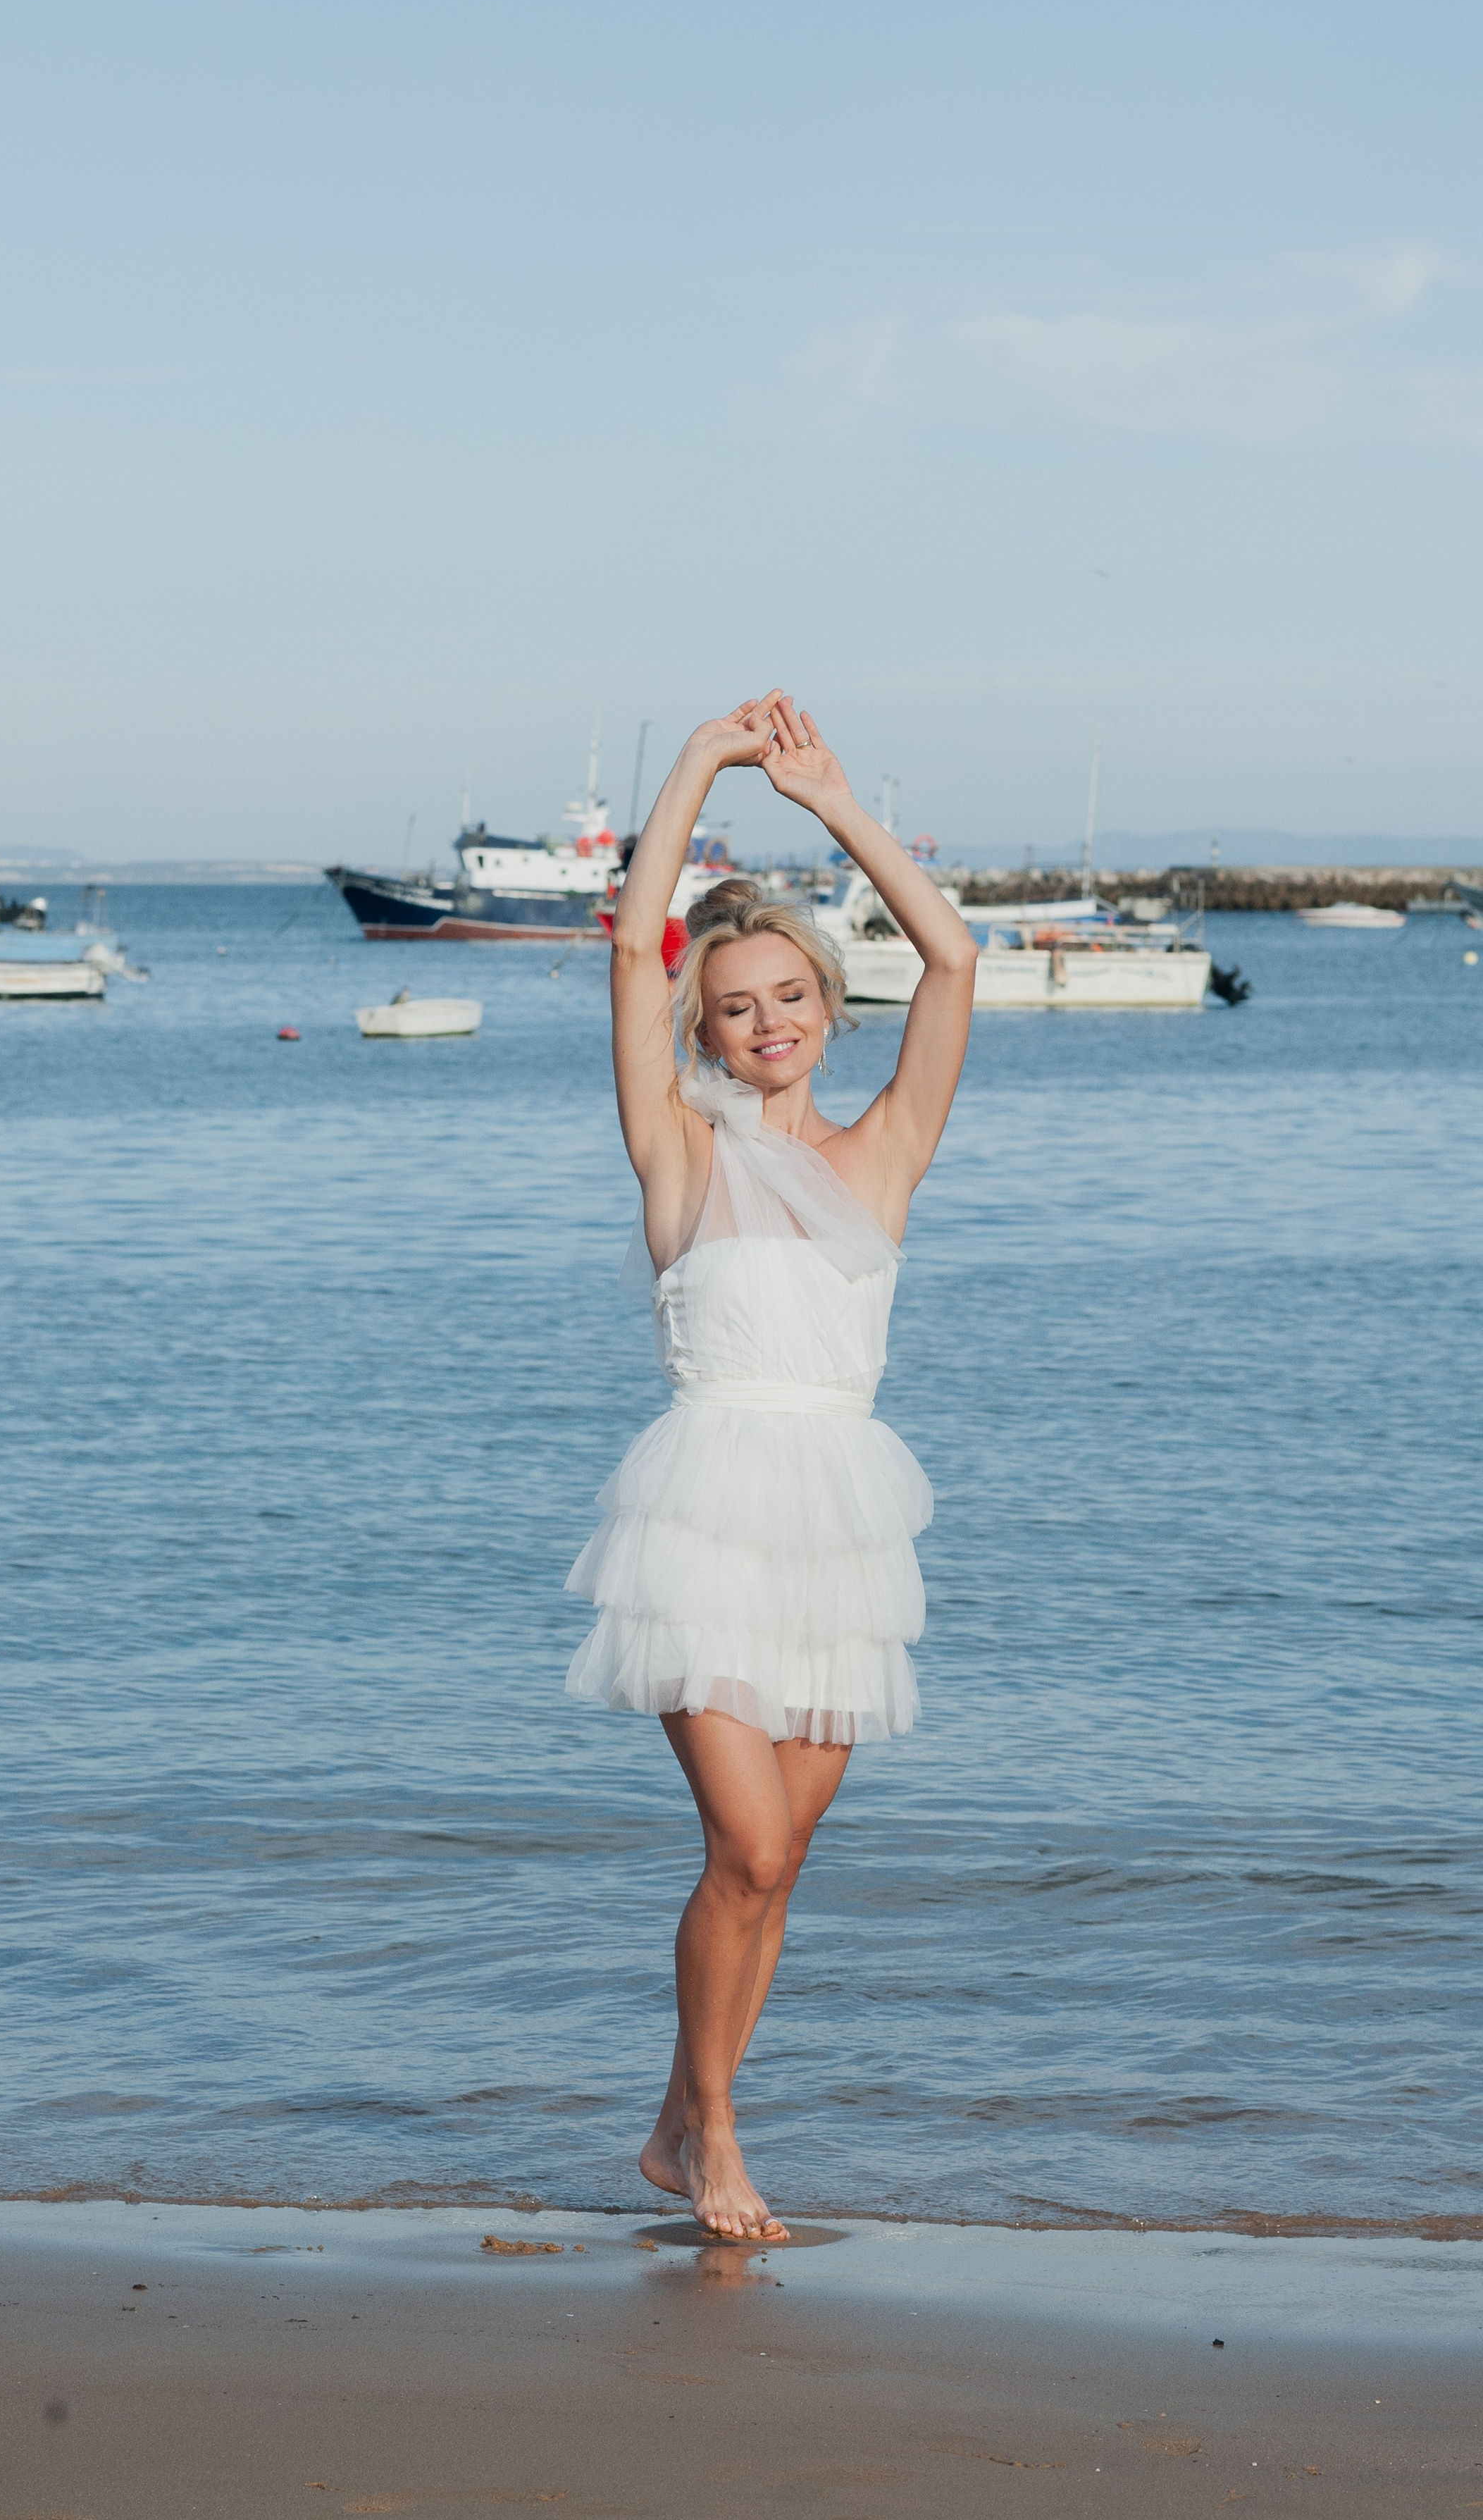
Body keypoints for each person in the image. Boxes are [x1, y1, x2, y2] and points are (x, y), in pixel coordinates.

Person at [564, 691, 978, 2242]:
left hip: (838, 1535)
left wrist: (830, 803)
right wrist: (691, 762)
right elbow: (625, 951)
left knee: (777, 1861)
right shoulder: (680, 1152)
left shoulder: (881, 1153)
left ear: (822, 999)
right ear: (705, 1023)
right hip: (700, 1525)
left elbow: (952, 958)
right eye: (735, 1003)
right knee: (740, 1841)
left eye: (790, 993)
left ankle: (679, 2121)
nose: (767, 1022)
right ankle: (719, 2131)